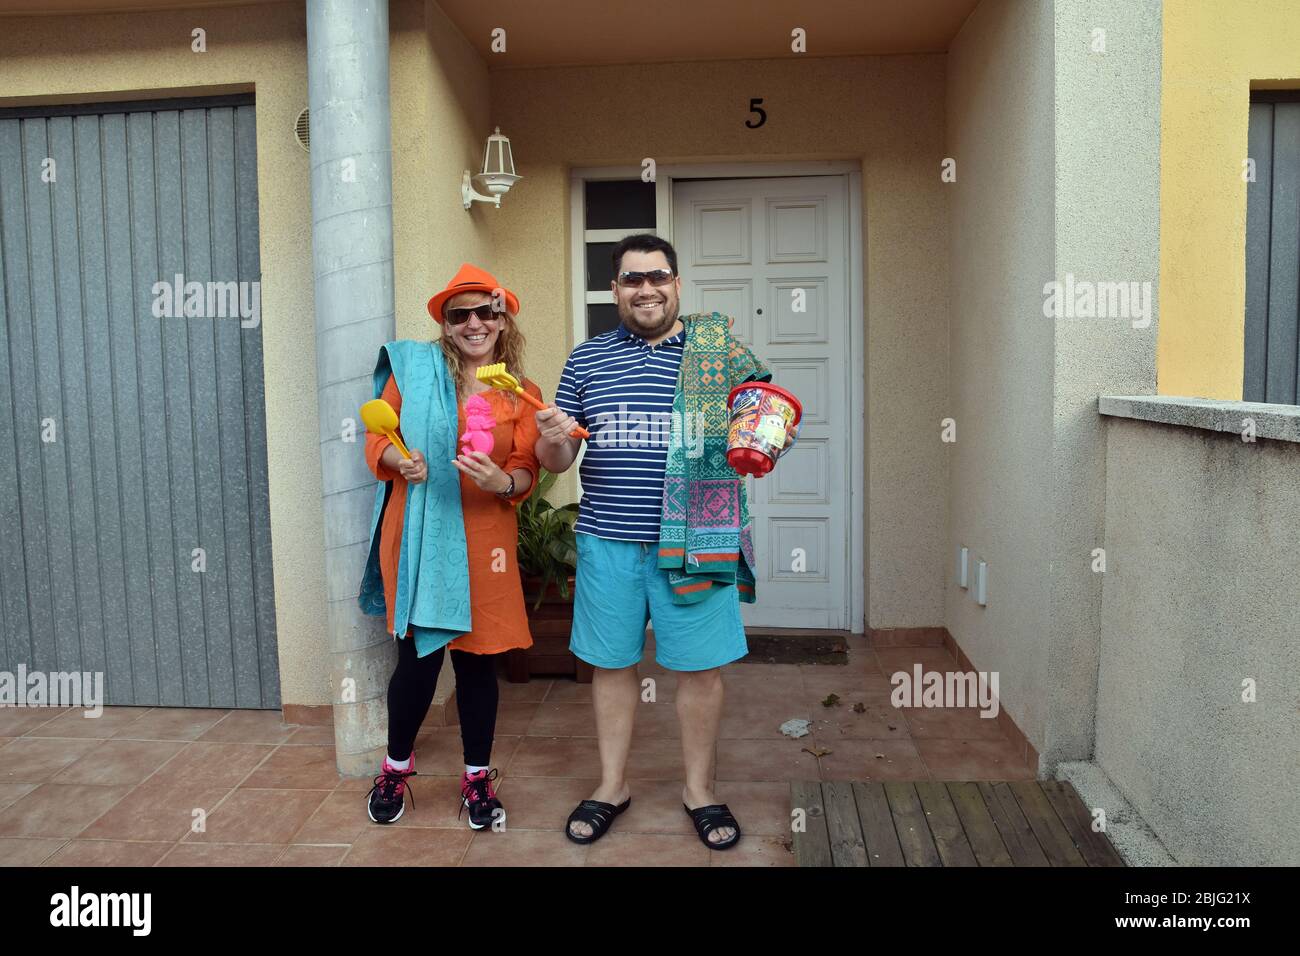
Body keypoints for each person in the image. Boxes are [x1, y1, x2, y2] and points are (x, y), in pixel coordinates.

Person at [535, 234, 782, 850]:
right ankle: (611, 786)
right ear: (614, 289)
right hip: (608, 542)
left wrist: (763, 436)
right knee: (612, 666)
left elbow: (770, 414)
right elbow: (557, 459)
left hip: (699, 537)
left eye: (658, 276)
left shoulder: (717, 353)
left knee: (700, 671)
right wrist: (554, 435)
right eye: (631, 279)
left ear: (676, 283)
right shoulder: (585, 359)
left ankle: (700, 791)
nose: (646, 288)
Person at [359, 263, 542, 829]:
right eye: (459, 314)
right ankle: (396, 765)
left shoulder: (521, 392)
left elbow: (526, 467)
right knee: (417, 661)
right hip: (418, 533)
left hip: (486, 539)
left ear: (502, 318)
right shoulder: (413, 374)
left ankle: (477, 780)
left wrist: (503, 482)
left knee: (478, 666)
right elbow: (376, 440)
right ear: (445, 324)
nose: (474, 323)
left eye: (485, 311)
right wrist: (400, 461)